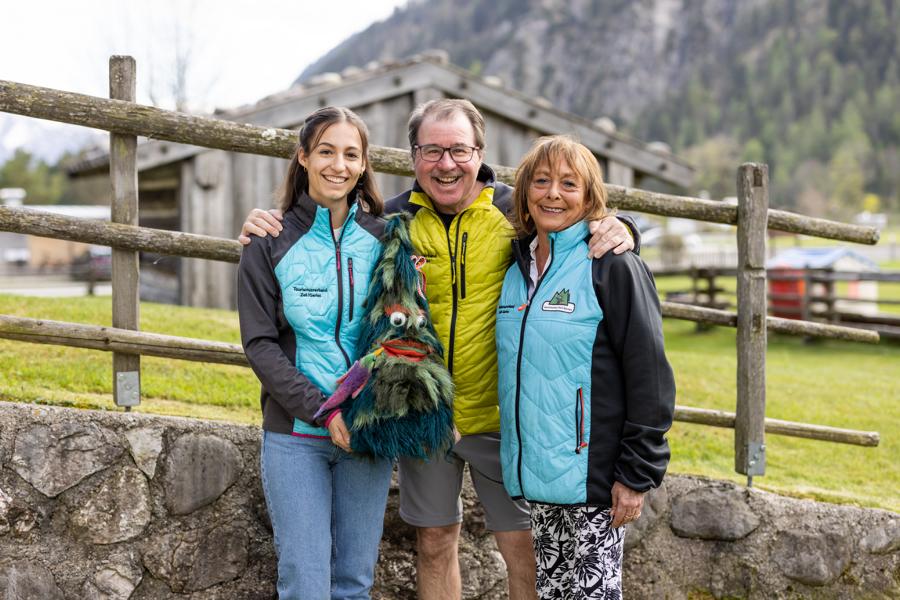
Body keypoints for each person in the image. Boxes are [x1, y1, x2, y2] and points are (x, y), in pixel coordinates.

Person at [239, 99, 637, 600]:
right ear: (412, 156)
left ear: (479, 153)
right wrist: (264, 222)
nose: (446, 164)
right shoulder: (393, 223)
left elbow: (575, 222)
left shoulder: (517, 213)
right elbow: (324, 236)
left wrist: (624, 229)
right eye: (432, 150)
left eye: (458, 150)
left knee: (522, 550)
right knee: (433, 542)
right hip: (424, 416)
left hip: (502, 417)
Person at [495, 135, 675, 598]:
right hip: (538, 479)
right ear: (524, 193)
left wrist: (636, 474)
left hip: (595, 479)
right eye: (541, 181)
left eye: (568, 183)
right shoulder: (516, 270)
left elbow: (649, 374)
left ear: (590, 197)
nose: (553, 193)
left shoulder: (611, 264)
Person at [237, 106, 393, 599]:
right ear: (303, 157)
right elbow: (259, 344)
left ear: (364, 164)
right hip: (296, 436)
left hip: (367, 435)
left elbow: (399, 338)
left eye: (351, 154)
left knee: (353, 584)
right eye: (326, 151)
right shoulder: (269, 240)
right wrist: (323, 412)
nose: (338, 165)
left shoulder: (388, 240)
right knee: (305, 583)